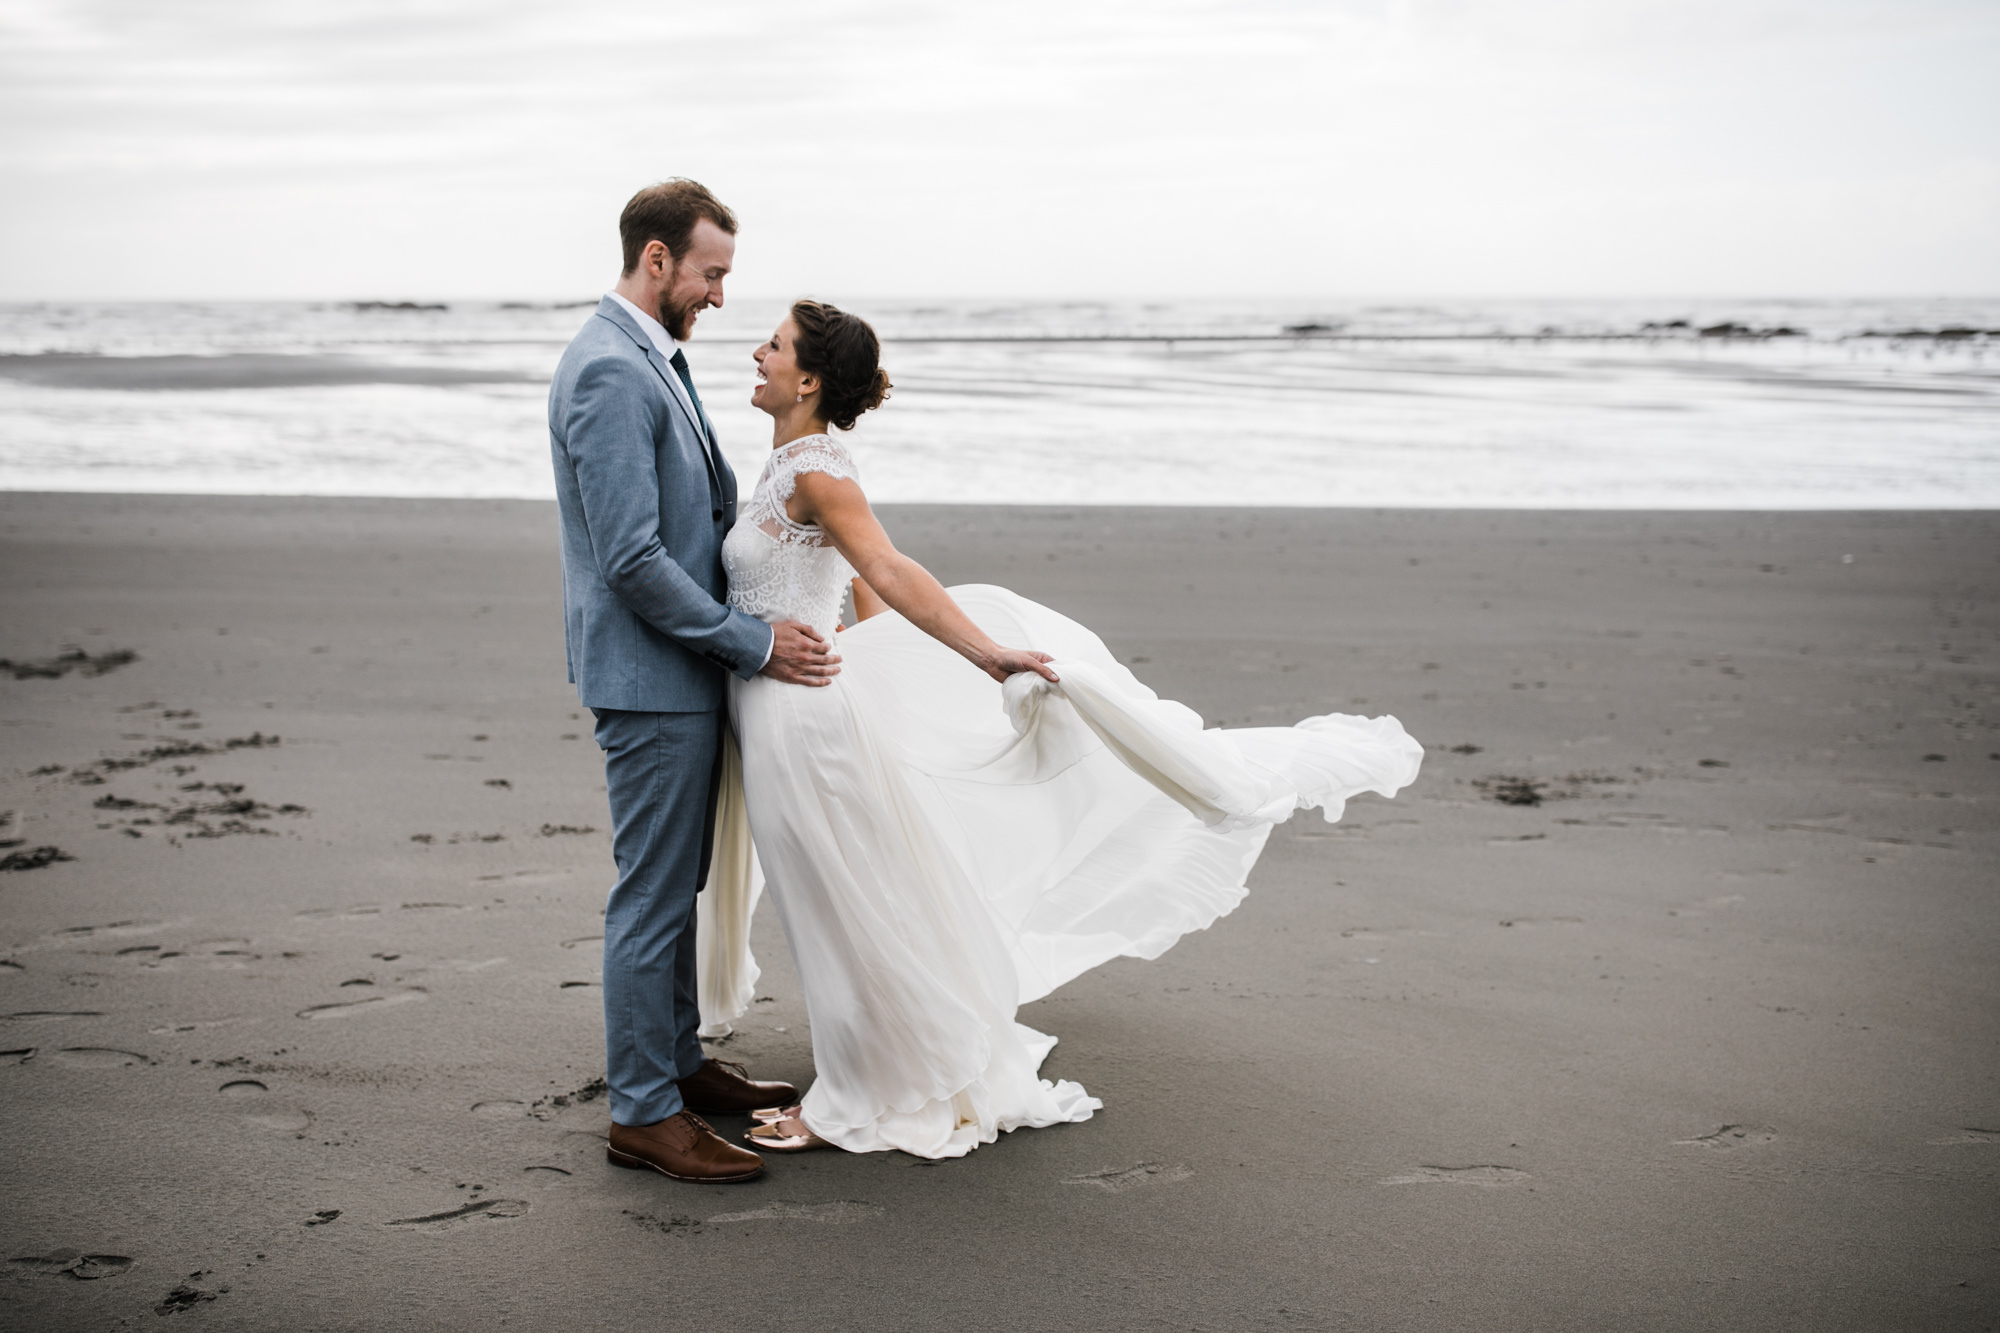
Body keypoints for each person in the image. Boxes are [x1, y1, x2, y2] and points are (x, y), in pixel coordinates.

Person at [712, 300, 1425, 1159]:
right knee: (832, 898)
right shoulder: (785, 460)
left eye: (776, 345)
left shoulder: (819, 470)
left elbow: (888, 567)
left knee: (840, 902)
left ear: (811, 378)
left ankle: (864, 1093)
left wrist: (980, 654)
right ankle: (888, 1059)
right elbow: (851, 586)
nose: (758, 351)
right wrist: (885, 668)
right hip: (780, 711)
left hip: (803, 713)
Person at [546, 179, 836, 1184]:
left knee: (678, 884)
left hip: (677, 671)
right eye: (711, 273)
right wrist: (749, 644)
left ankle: (673, 1065)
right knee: (652, 897)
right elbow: (629, 557)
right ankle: (641, 1113)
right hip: (653, 676)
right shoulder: (608, 373)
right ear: (658, 260)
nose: (719, 296)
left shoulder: (643, 357)